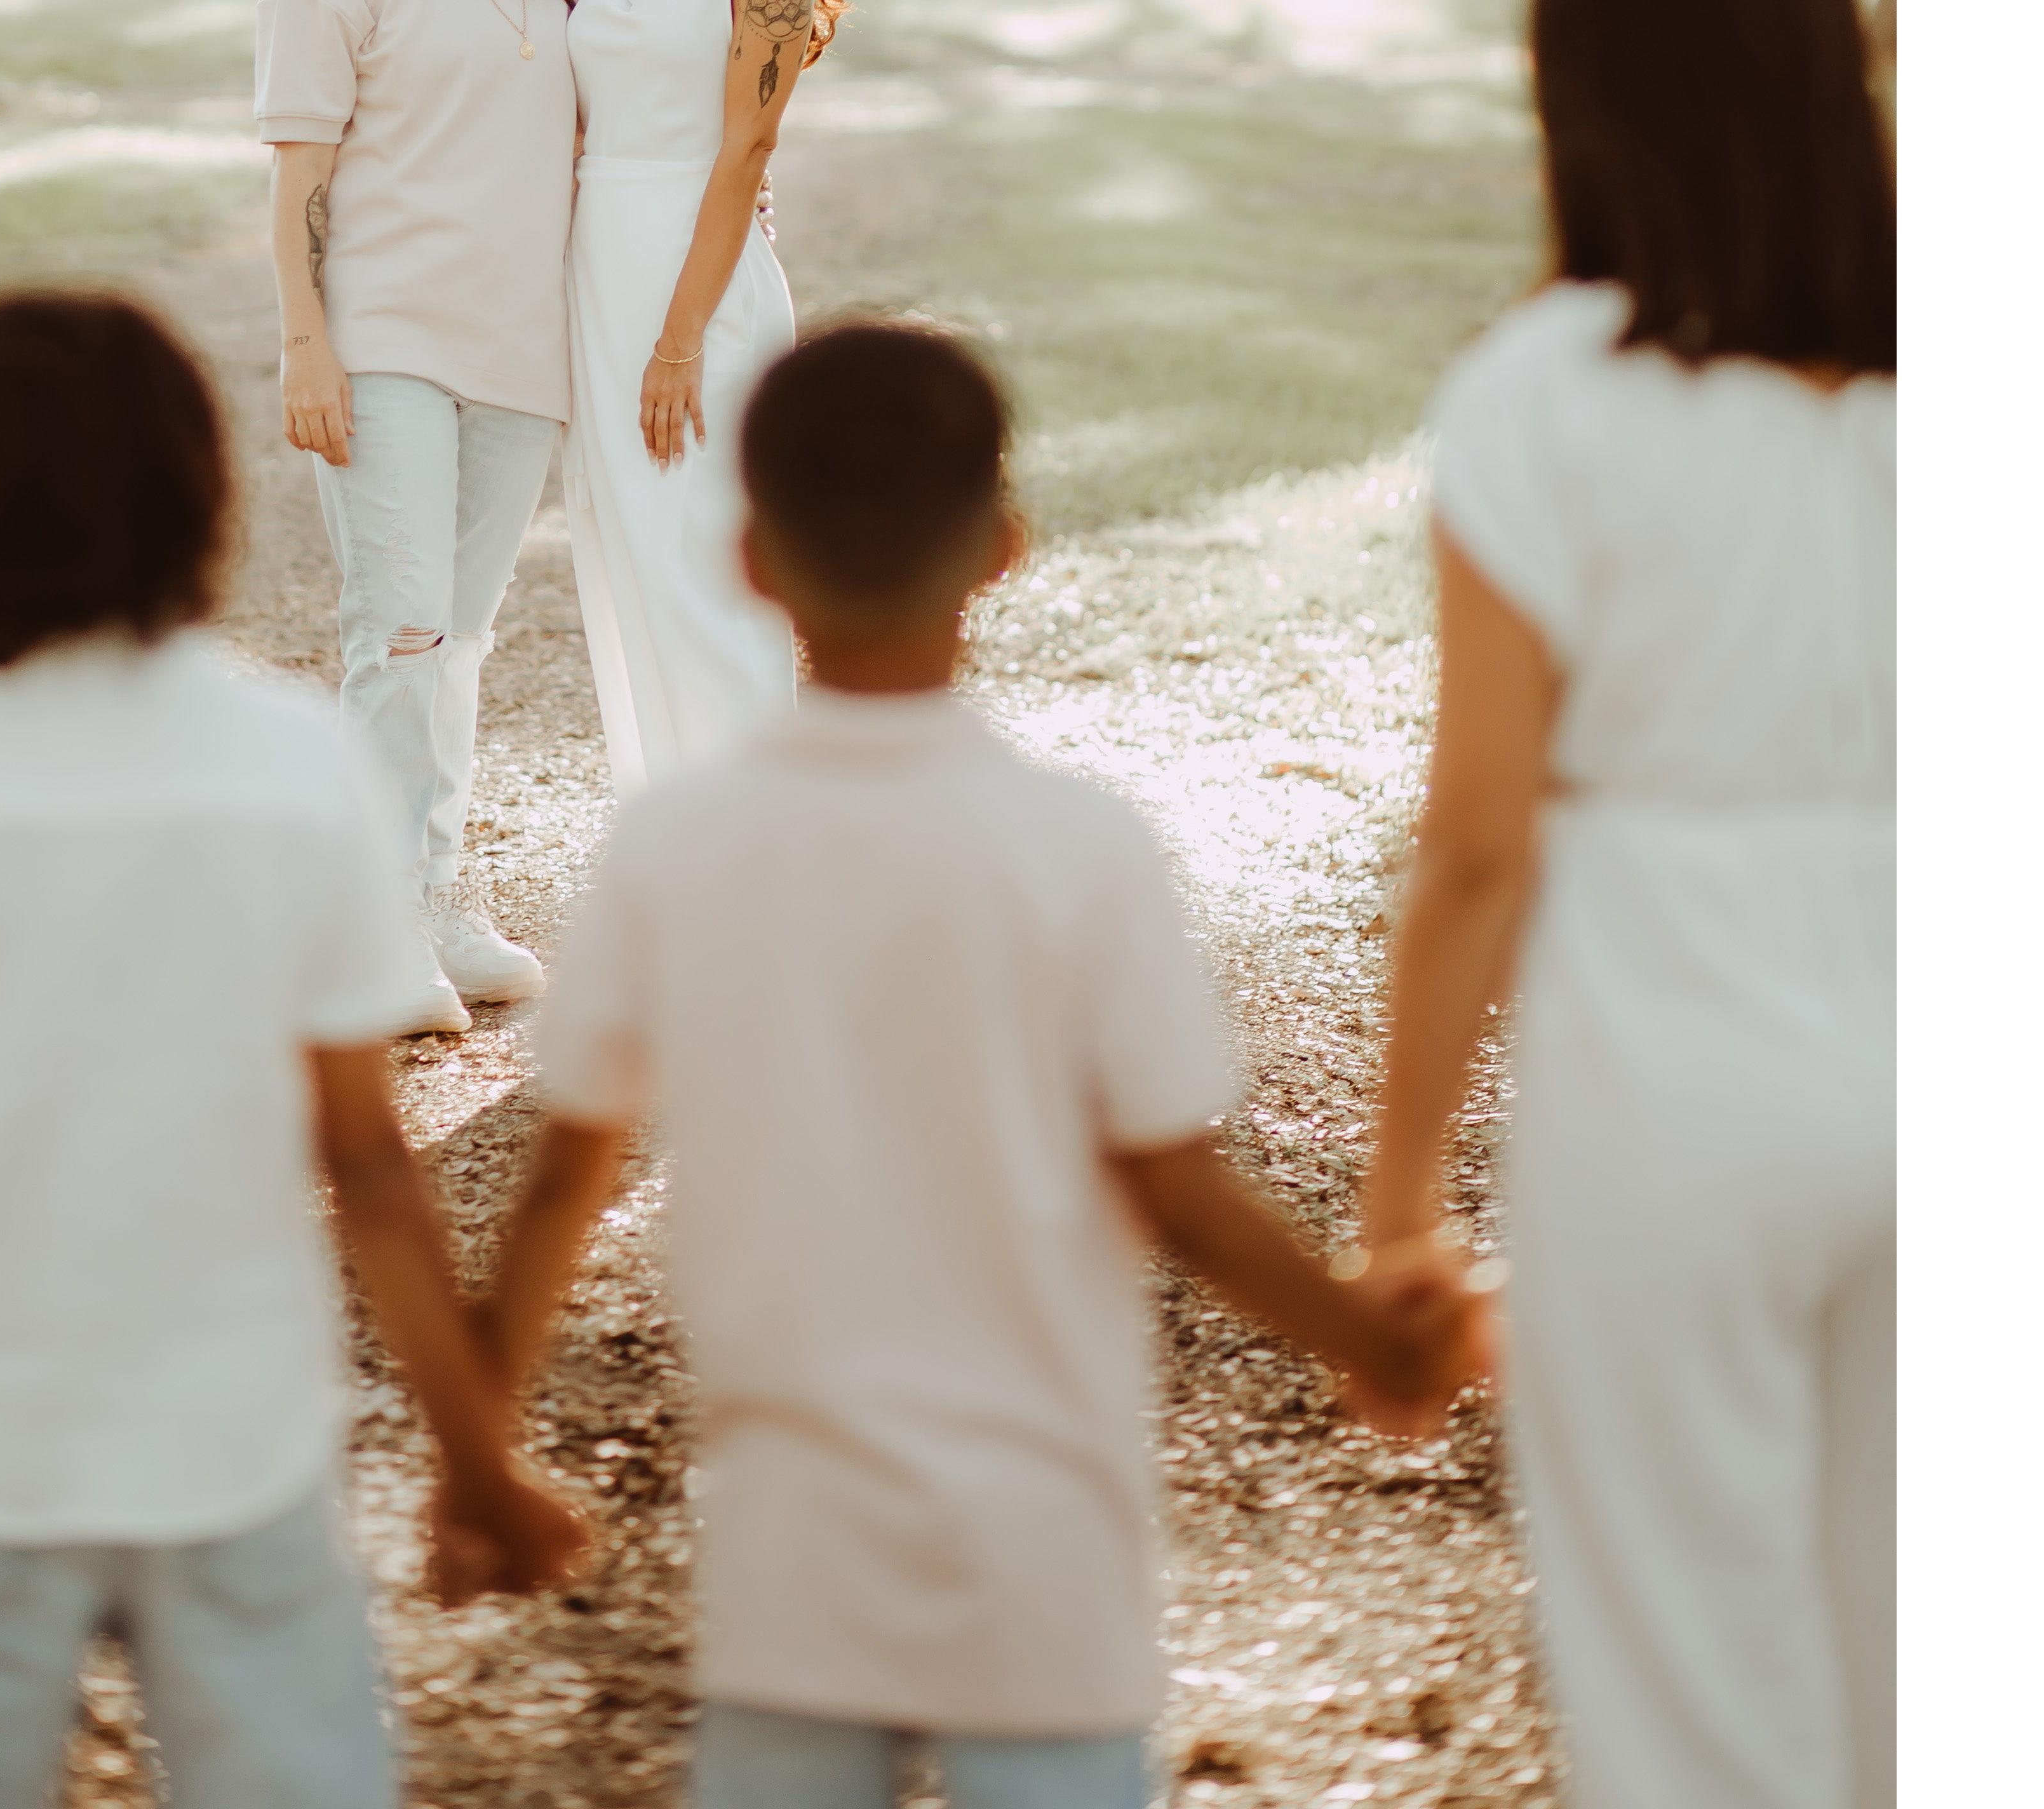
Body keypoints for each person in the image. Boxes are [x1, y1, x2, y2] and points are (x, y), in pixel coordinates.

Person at [464, 320, 1486, 1809]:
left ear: (748, 559)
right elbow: (1181, 1196)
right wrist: (1370, 1341)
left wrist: (479, 1449)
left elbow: (567, 1176)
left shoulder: (674, 847)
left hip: (793, 1558)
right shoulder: (1081, 851)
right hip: (1046, 1557)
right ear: (1004, 549)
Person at [0, 292, 589, 1809]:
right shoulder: (292, 762)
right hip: (237, 1451)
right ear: (198, 504)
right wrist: (476, 1459)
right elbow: (371, 1167)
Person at [1357, 0, 1895, 1809]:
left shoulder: (1546, 397)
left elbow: (1481, 846)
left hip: (1674, 1097)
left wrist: (1402, 1205)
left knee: (1694, 1712)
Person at [256, 0, 585, 1026]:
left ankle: (431, 900)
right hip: (385, 341)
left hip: (521, 359)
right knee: (398, 633)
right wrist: (306, 348)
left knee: (458, 644)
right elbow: (299, 182)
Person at [555, 0, 831, 786]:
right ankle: (672, 825)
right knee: (633, 564)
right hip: (603, 279)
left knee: (711, 574)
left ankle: (762, 833)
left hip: (697, 290)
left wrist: (679, 341)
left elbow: (747, 146)